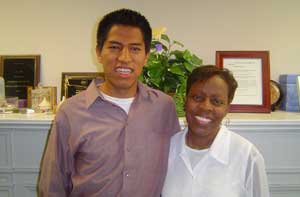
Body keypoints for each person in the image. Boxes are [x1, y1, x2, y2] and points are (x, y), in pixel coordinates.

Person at [38, 8, 180, 196]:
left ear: (146, 56)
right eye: (114, 47)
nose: (124, 58)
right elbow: (52, 185)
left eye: (135, 49)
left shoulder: (164, 107)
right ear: (98, 52)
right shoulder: (71, 112)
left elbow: (175, 168)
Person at [162, 65, 270, 197]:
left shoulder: (247, 156)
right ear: (185, 101)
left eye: (216, 101)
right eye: (197, 97)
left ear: (227, 108)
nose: (205, 107)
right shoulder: (166, 149)